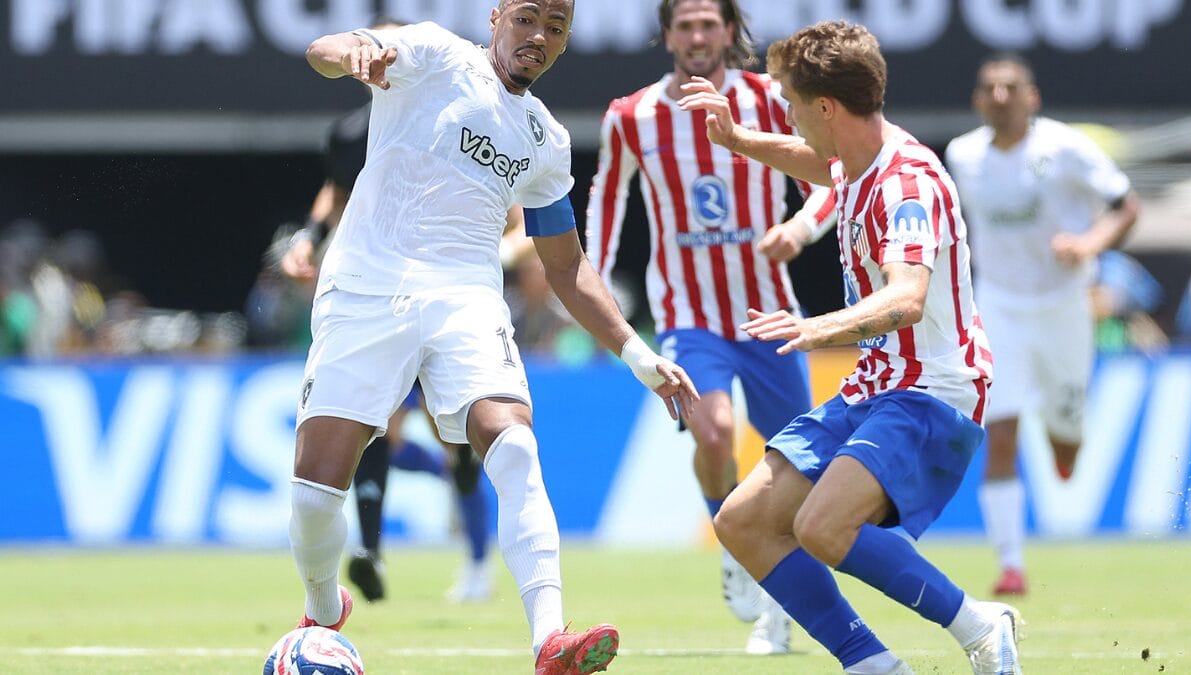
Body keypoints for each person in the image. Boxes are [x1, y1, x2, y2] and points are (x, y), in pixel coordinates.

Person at [293, 3, 699, 674]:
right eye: (528, 18)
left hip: (466, 298)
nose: (539, 37)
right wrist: (351, 56)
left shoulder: (545, 140)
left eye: (557, 28)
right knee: (313, 496)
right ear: (497, 17)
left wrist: (639, 353)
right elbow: (323, 46)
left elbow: (566, 267)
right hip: (366, 285)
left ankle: (549, 640)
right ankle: (323, 606)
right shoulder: (430, 54)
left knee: (512, 443)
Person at [678, 20, 1023, 674]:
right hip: (876, 385)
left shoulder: (907, 186)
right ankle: (875, 665)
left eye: (791, 101)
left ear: (826, 107)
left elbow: (906, 299)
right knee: (744, 521)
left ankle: (981, 625)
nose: (787, 111)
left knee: (821, 526)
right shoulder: (859, 161)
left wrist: (815, 329)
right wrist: (737, 137)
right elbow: (821, 163)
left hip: (933, 388)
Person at [584, 0, 834, 654]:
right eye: (685, 24)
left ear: (728, 31)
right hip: (688, 316)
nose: (697, 35)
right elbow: (608, 198)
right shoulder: (630, 114)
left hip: (768, 311)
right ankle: (734, 536)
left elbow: (831, 174)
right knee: (715, 428)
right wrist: (592, 289)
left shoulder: (769, 100)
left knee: (797, 468)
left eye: (708, 23)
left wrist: (801, 226)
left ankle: (776, 607)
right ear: (668, 35)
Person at [276, 33, 497, 604]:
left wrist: (500, 257)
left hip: (450, 298)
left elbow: (511, 210)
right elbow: (338, 190)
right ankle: (371, 550)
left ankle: (476, 555)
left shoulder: (463, 116)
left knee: (460, 447)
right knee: (381, 427)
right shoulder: (351, 132)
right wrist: (311, 237)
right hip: (379, 298)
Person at [944, 53, 1140, 596]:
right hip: (1000, 307)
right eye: (990, 88)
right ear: (977, 100)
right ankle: (1011, 566)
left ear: (1032, 98)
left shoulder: (1066, 148)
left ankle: (1065, 442)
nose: (1001, 96)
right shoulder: (963, 155)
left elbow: (1127, 207)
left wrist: (1088, 244)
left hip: (1063, 307)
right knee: (999, 431)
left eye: (1011, 87)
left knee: (1066, 441)